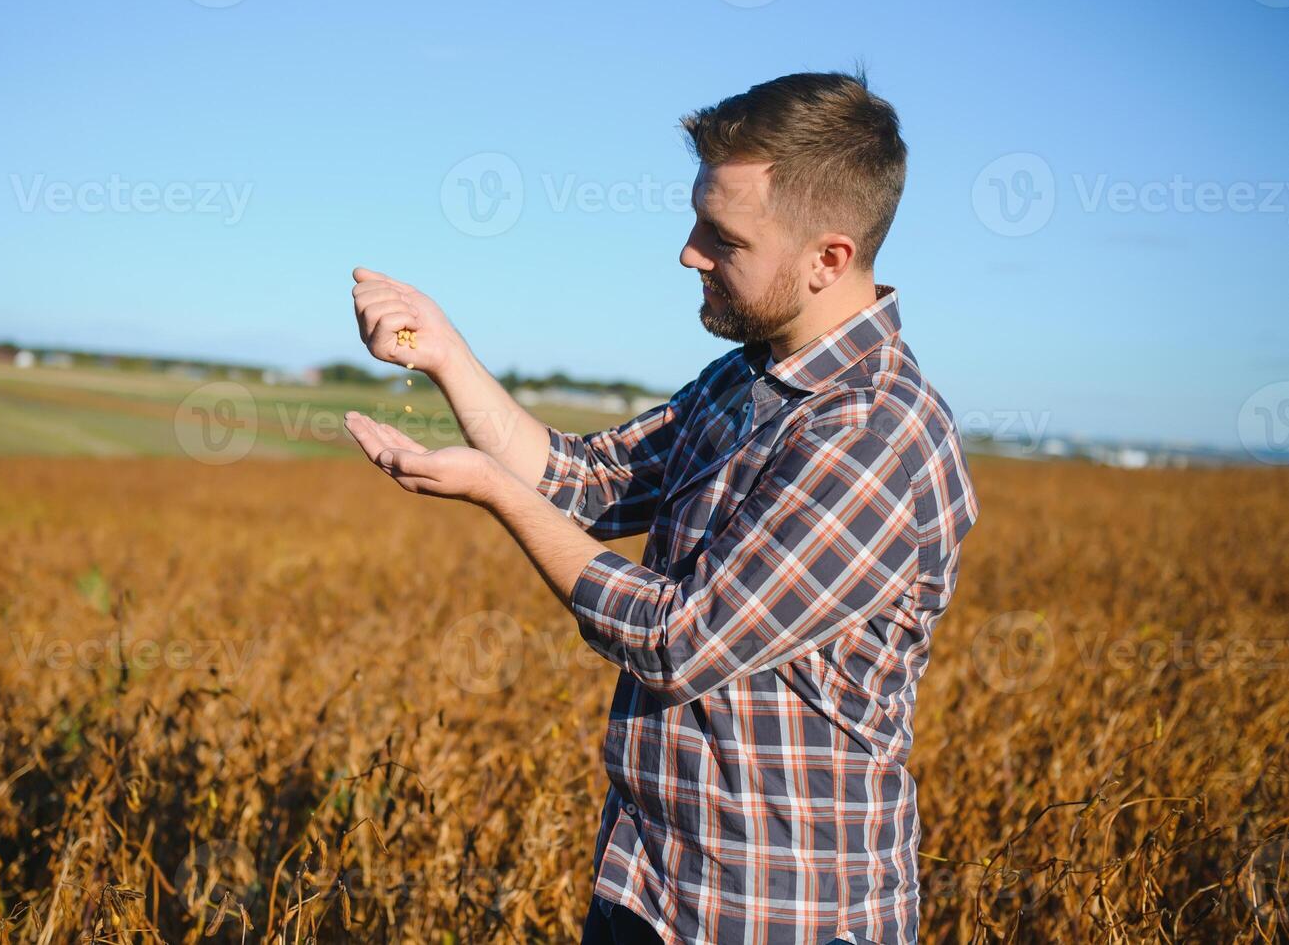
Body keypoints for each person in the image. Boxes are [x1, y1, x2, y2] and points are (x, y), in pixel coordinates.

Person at [345, 70, 979, 945]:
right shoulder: (741, 379)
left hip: (779, 911)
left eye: (721, 238)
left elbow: (677, 641)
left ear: (827, 259)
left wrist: (491, 492)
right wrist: (448, 354)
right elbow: (585, 485)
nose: (689, 253)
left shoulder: (873, 433)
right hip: (649, 882)